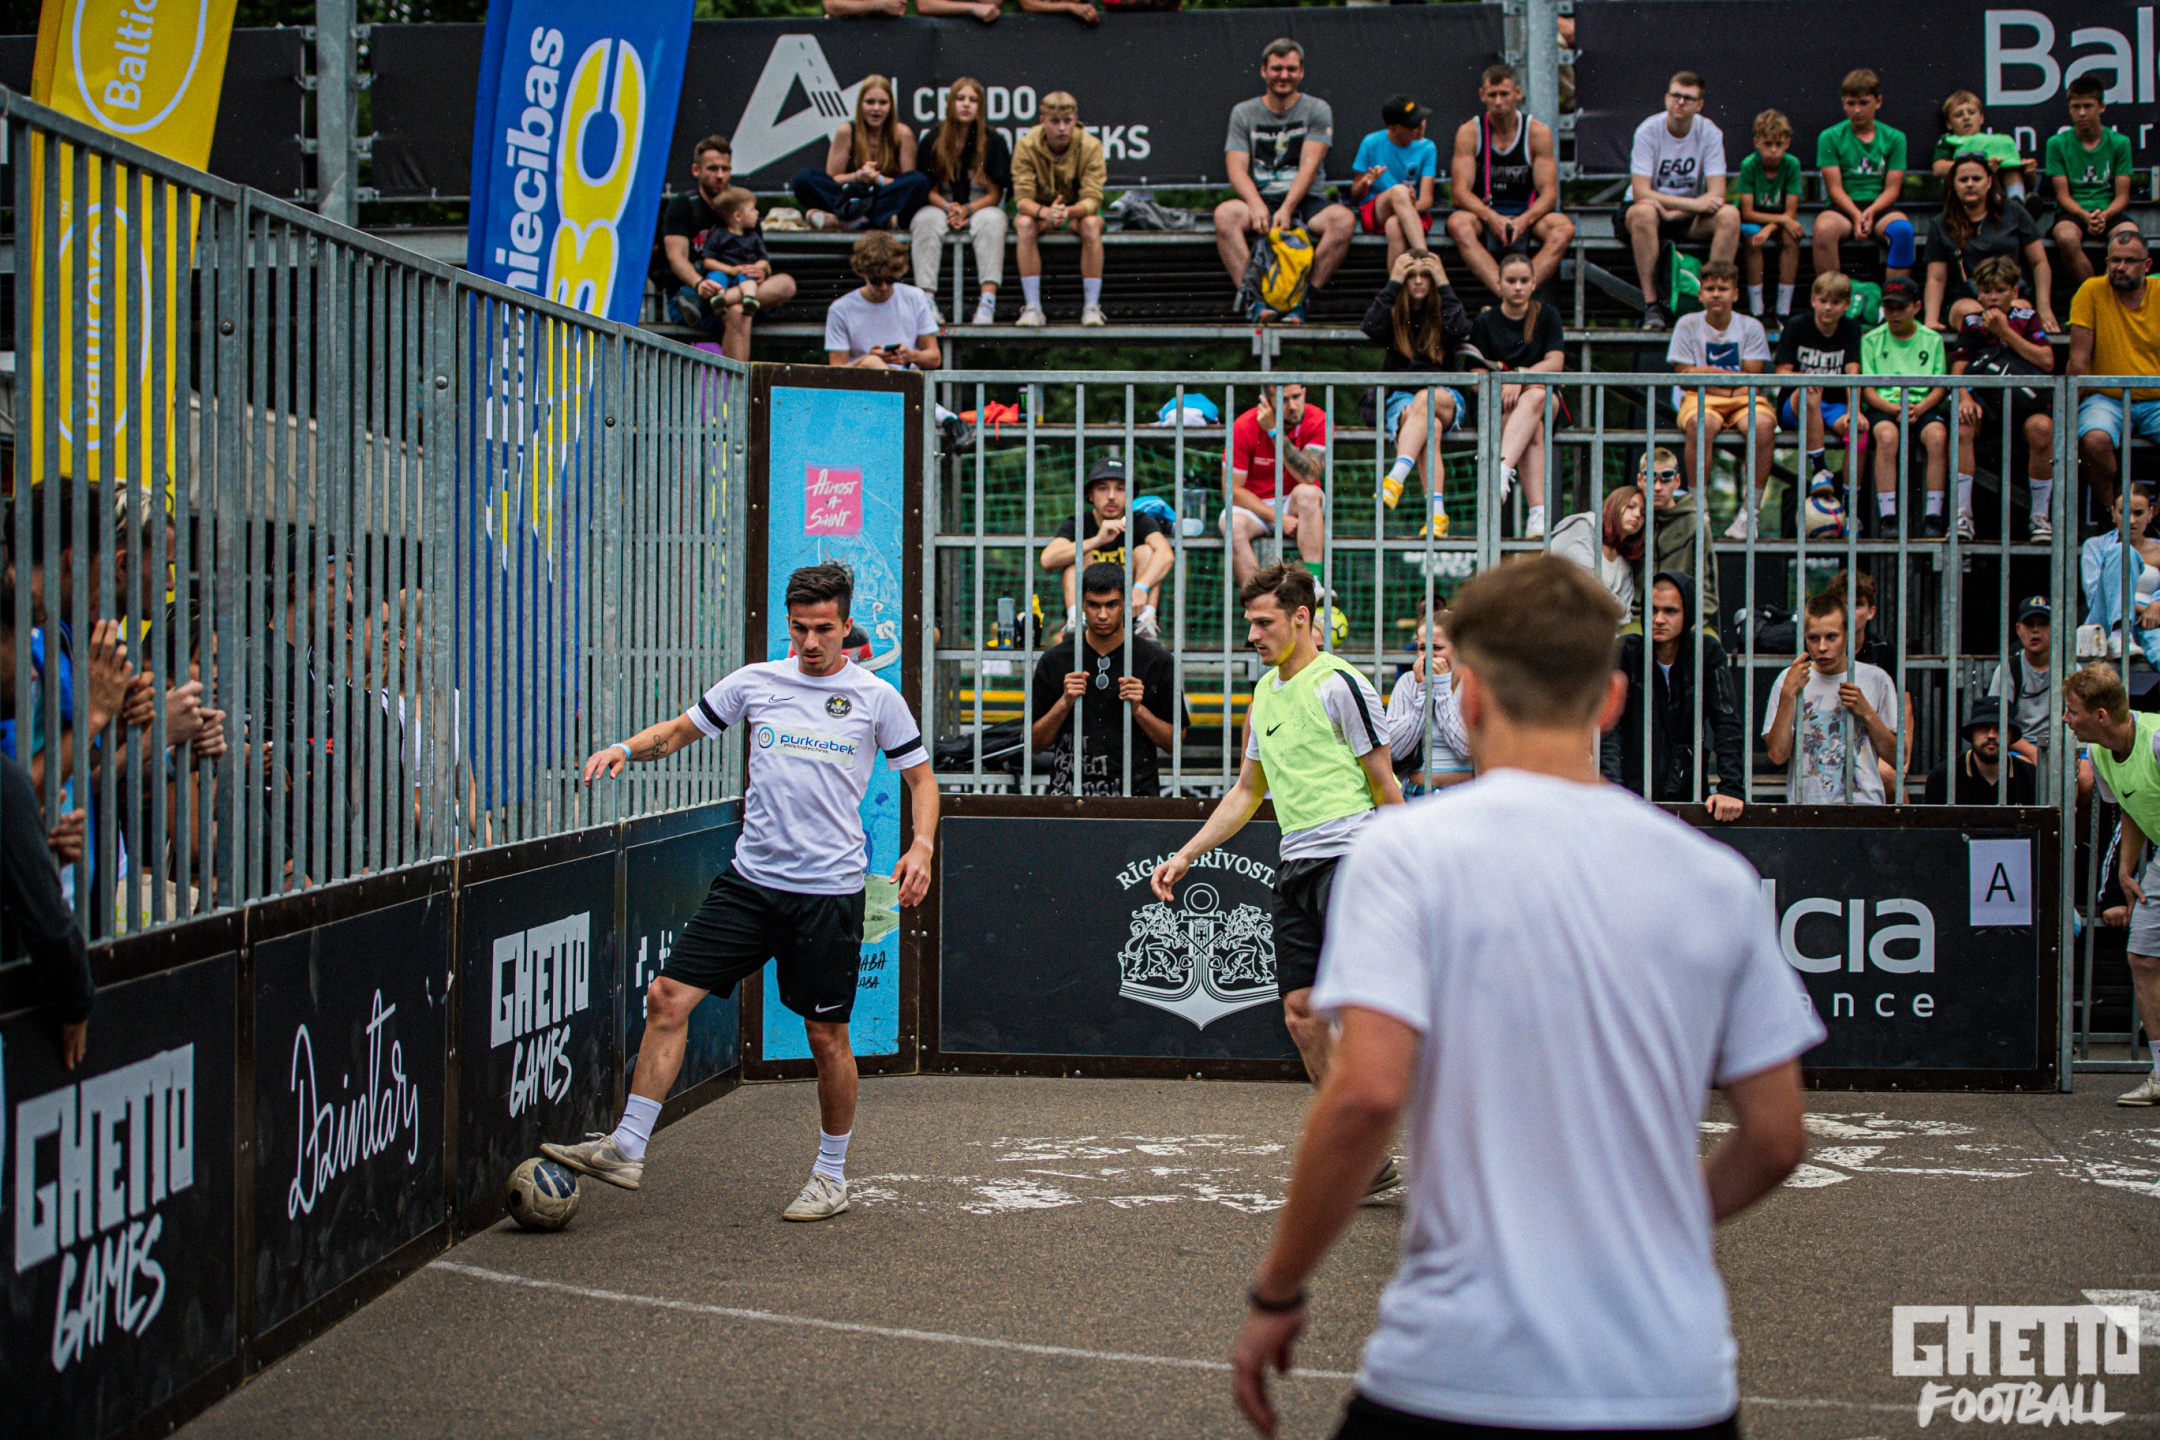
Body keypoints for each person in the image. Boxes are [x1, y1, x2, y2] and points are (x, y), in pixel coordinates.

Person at [1231, 553, 1815, 1440]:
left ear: (1466, 697)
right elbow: (1775, 1137)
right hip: (1670, 1376)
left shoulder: (1405, 856)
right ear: (1611, 700)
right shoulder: (1716, 879)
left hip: (1455, 1368)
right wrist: (1659, 1223)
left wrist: (1278, 1290)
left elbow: (1365, 1097)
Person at [544, 563, 938, 1220]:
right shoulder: (756, 682)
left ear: (846, 626)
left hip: (827, 896)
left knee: (826, 1038)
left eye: (823, 629)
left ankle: (830, 1176)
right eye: (799, 628)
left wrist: (921, 845)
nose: (810, 642)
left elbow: (922, 781)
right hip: (750, 885)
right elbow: (678, 731)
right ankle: (627, 1146)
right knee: (666, 998)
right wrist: (625, 748)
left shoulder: (875, 698)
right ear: (788, 624)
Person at [1152, 564, 1404, 1131]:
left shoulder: (1341, 684)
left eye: (1264, 623)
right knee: (1301, 1014)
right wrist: (1186, 854)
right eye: (1249, 623)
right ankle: (1356, 1145)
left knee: (1370, 1010)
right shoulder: (1263, 695)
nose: (1252, 635)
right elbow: (1246, 792)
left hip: (1353, 860)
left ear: (1301, 618)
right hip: (1295, 867)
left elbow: (1385, 785)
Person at [2061, 660, 2160, 1102]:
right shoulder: (2100, 754)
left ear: (2100, 716)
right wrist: (2126, 867)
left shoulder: (2156, 741)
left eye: (2073, 711)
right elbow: (2131, 804)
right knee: (2143, 956)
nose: (2066, 719)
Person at [1214, 40, 1355, 302]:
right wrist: (1255, 203)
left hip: (1306, 200)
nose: (1284, 75)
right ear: (1263, 71)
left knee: (1343, 221)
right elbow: (1236, 168)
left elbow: (1310, 167)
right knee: (1225, 215)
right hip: (1262, 198)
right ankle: (1255, 299)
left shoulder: (1317, 109)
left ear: (1301, 72)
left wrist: (1287, 208)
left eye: (1291, 69)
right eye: (1277, 69)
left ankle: (1299, 299)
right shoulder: (1243, 112)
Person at [1029, 563, 1184, 796]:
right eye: (1094, 605)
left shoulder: (1156, 660)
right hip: (1069, 799)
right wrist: (1064, 702)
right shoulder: (1056, 660)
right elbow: (1033, 743)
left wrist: (1139, 710)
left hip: (1136, 799)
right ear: (1082, 604)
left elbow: (1176, 743)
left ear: (1126, 604)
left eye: (1111, 604)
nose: (1102, 615)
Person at [1602, 571, 1746, 818]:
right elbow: (1608, 726)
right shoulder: (1626, 652)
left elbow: (1726, 722)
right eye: (1653, 610)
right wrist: (1613, 786)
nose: (1659, 619)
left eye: (1670, 611)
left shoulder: (1706, 653)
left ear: (1687, 613)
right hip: (1631, 794)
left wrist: (1731, 789)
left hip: (1688, 793)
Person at [1362, 251, 1471, 532]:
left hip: (1445, 395)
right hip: (1402, 399)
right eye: (1412, 276)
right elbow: (1370, 326)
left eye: (1426, 276)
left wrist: (1443, 281)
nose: (1419, 281)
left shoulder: (1442, 308)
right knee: (1430, 428)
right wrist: (1394, 281)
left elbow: (1460, 328)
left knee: (1426, 399)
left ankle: (1396, 477)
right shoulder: (1395, 313)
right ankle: (1437, 514)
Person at [1666, 260, 1776, 538]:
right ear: (1700, 294)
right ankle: (1699, 510)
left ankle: (1750, 513)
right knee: (1700, 424)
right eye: (1710, 288)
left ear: (1735, 294)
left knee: (1763, 424)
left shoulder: (1750, 326)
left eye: (1723, 289)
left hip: (1741, 398)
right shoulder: (1687, 324)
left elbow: (1753, 376)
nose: (1716, 294)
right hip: (1701, 398)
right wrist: (1727, 378)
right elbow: (1683, 376)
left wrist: (1704, 373)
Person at [1950, 255, 2056, 542]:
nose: (1993, 297)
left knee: (2042, 428)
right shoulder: (1972, 322)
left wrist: (2005, 332)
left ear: (2014, 291)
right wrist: (1964, 398)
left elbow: (2047, 360)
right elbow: (1958, 368)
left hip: (2024, 403)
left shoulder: (2027, 319)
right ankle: (1962, 516)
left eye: (2000, 290)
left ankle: (2040, 518)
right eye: (1986, 291)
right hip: (1986, 404)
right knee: (1962, 425)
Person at [1443, 64, 1573, 297]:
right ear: (1482, 95)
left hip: (1526, 212)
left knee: (1563, 229)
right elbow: (1460, 193)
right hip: (1485, 211)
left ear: (1517, 93)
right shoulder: (1470, 132)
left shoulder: (1537, 132)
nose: (1498, 102)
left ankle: (1522, 288)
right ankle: (1505, 292)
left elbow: (1549, 194)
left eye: (1504, 94)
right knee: (1458, 224)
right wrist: (1491, 217)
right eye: (1492, 95)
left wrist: (1525, 220)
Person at [1763, 586, 1900, 803]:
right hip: (1808, 809)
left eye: (1831, 637)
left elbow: (1898, 758)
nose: (1822, 647)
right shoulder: (1789, 680)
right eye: (1813, 638)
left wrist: (1867, 713)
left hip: (1864, 809)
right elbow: (1777, 755)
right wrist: (1788, 695)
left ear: (1847, 634)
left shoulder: (1876, 679)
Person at [1623, 70, 1735, 331]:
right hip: (1651, 213)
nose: (1680, 102)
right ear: (1666, 98)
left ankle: (1713, 301)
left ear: (1700, 104)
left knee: (1729, 216)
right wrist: (1693, 205)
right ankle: (1653, 306)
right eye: (1675, 96)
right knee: (1643, 213)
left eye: (1688, 98)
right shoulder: (1648, 130)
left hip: (1685, 215)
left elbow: (1717, 193)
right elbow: (1641, 192)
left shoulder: (1710, 132)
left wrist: (1678, 212)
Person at [1465, 251, 1565, 537]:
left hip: (1542, 399)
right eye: (1511, 281)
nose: (1518, 287)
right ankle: (1538, 513)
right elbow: (1475, 376)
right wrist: (1504, 385)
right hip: (1502, 406)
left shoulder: (1547, 315)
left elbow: (1555, 363)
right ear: (1499, 284)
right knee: (1534, 427)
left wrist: (1519, 378)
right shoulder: (1484, 322)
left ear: (1534, 283)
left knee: (1536, 397)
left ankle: (1499, 470)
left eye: (1524, 280)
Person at [2069, 227, 2160, 514]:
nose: (2120, 267)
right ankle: (2114, 516)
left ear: (2147, 265)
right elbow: (2078, 361)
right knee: (2094, 439)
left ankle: (2153, 520)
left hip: (2156, 398)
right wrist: (2065, 414)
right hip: (2106, 397)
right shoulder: (2091, 290)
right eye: (2114, 260)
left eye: (2129, 260)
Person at [909, 78, 1011, 327]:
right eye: (960, 98)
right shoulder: (933, 139)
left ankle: (987, 303)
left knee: (993, 221)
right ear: (950, 103)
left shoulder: (993, 140)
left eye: (973, 100)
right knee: (923, 220)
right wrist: (949, 208)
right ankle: (926, 302)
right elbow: (928, 189)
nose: (966, 104)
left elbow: (995, 194)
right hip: (941, 204)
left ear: (980, 106)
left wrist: (967, 209)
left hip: (980, 205)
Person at [1041, 455, 1174, 635]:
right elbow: (1048, 559)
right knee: (1075, 554)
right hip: (1091, 611)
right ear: (1090, 495)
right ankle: (1077, 621)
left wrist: (1141, 587)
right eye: (1103, 489)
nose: (1111, 497)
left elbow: (1166, 554)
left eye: (1120, 489)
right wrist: (1097, 540)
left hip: (1130, 608)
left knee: (1146, 552)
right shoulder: (1080, 522)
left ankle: (1145, 622)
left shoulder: (1139, 520)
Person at [1861, 278, 1952, 538]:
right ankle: (1888, 517)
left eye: (1901, 307)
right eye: (1889, 308)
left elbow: (1939, 387)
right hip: (1885, 406)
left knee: (1938, 436)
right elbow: (1867, 389)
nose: (1895, 314)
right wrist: (1893, 409)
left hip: (1922, 405)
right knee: (1887, 437)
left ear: (1917, 306)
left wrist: (1919, 408)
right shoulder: (1871, 339)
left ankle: (1933, 516)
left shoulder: (1932, 339)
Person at [1922, 154, 2054, 334]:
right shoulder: (1941, 223)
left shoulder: (2014, 212)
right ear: (1953, 184)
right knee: (1972, 315)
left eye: (1976, 179)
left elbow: (2039, 263)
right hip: (1966, 298)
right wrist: (1931, 319)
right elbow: (1936, 278)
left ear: (1989, 181)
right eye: (1963, 180)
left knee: (2017, 313)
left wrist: (2045, 311)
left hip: (2010, 294)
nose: (1970, 184)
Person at [1813, 69, 1915, 291]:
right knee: (1823, 229)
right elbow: (1834, 188)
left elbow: (1893, 189)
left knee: (1903, 231)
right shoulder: (1829, 137)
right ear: (1843, 103)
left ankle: (1893, 299)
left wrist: (1871, 212)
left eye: (1864, 103)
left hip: (1880, 206)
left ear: (1878, 102)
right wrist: (1856, 214)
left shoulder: (1895, 138)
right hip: (1843, 207)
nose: (1857, 110)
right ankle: (1832, 297)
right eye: (1851, 103)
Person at [1012, 92, 1107, 327]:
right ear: (1042, 120)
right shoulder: (1026, 145)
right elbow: (1022, 199)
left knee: (1092, 224)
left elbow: (1093, 198)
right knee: (1023, 223)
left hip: (1077, 213)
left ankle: (1091, 307)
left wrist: (1069, 212)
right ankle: (1032, 308)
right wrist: (1046, 212)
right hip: (1040, 213)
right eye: (1055, 121)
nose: (1062, 128)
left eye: (1068, 120)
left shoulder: (1091, 145)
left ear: (1076, 120)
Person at [790, 76, 928, 233]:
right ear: (860, 104)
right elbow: (834, 178)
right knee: (804, 178)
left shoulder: (902, 133)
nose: (876, 108)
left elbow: (907, 181)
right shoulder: (847, 130)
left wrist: (878, 179)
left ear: (891, 105)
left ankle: (849, 220)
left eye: (883, 103)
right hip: (849, 195)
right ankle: (872, 219)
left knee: (920, 181)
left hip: (883, 194)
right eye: (870, 102)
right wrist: (859, 176)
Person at [1775, 270, 1865, 498]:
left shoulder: (1851, 329)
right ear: (1813, 300)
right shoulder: (1797, 325)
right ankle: (1819, 469)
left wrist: (1854, 411)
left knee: (1859, 430)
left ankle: (1850, 500)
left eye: (1835, 302)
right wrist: (1807, 380)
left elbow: (1852, 373)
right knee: (1810, 390)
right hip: (1795, 406)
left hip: (1834, 406)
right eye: (1823, 301)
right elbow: (1782, 372)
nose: (1828, 307)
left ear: (1846, 305)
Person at [686, 188, 798, 361]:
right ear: (737, 216)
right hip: (723, 281)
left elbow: (764, 261)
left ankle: (724, 300)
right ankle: (737, 378)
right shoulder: (720, 235)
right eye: (753, 209)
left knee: (786, 283)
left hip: (747, 283)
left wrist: (760, 269)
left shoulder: (753, 235)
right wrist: (730, 270)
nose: (757, 213)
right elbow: (708, 261)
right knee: (738, 311)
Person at [2045, 75, 2135, 287]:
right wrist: (2085, 216)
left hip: (2108, 211)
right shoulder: (2056, 144)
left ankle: (2110, 293)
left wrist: (2104, 215)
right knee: (2066, 238)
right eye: (2076, 107)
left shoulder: (2120, 142)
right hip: (2073, 212)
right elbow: (2062, 196)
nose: (2082, 113)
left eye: (2088, 106)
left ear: (2101, 107)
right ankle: (2095, 293)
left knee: (2130, 237)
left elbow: (2122, 196)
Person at [825, 232, 942, 373]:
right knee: (872, 362)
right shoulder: (841, 309)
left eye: (890, 280)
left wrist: (909, 355)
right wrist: (868, 360)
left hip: (906, 380)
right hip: (862, 381)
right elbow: (836, 370)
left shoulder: (915, 297)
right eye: (876, 281)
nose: (884, 287)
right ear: (863, 273)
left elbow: (934, 358)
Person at [1384, 608, 1472, 792]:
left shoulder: (1472, 683)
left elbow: (1466, 748)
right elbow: (1394, 750)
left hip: (1464, 793)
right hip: (1416, 792)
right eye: (1423, 648)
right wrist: (1424, 692)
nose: (1428, 656)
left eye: (1437, 648)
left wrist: (1442, 690)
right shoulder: (1408, 682)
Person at [1349, 95, 1438, 271]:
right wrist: (1365, 183)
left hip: (1411, 212)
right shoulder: (1371, 143)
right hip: (1378, 210)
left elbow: (1427, 200)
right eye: (1412, 125)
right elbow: (1354, 195)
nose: (1420, 127)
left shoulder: (1428, 148)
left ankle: (1396, 285)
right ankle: (1427, 261)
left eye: (1421, 119)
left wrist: (1407, 205)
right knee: (1399, 190)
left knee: (1394, 226)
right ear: (1393, 128)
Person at [1734, 109, 1804, 324]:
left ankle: (1783, 310)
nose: (1774, 150)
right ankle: (1757, 310)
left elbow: (1790, 212)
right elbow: (1747, 212)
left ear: (1787, 143)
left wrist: (1772, 227)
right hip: (1754, 221)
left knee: (1792, 237)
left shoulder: (1792, 164)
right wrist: (1775, 223)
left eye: (1779, 144)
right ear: (1756, 142)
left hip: (1776, 223)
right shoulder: (1749, 165)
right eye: (1768, 144)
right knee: (1754, 239)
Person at [2079, 486, 2160, 666]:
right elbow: (2093, 596)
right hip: (2105, 623)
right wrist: (2147, 608)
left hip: (2149, 623)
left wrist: (2158, 604)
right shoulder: (2095, 545)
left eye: (2138, 513)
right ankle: (2120, 634)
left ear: (2150, 513)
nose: (2131, 520)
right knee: (2123, 551)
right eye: (2124, 512)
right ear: (2113, 513)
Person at [1644, 447, 1720, 627]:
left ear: (1677, 481)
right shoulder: (1632, 520)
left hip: (1684, 617)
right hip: (1638, 617)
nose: (1657, 487)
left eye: (1666, 478)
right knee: (1624, 642)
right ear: (1640, 480)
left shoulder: (1695, 523)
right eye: (1650, 477)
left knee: (1708, 642)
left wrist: (1688, 623)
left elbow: (1709, 591)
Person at [1548, 483, 1645, 617]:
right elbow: (1585, 584)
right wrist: (1615, 608)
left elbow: (1624, 616)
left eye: (1643, 513)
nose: (1637, 514)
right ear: (1614, 504)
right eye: (1630, 506)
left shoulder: (1624, 563)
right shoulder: (1584, 525)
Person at [1922, 696, 2037, 805]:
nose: (1991, 735)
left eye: (2000, 728)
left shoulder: (2032, 777)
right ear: (1971, 734)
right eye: (1983, 728)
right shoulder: (1942, 778)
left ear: (2011, 736)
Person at [1991, 596, 2054, 775]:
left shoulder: (2070, 669)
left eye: (2043, 624)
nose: (2035, 630)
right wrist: (2033, 753)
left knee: (2085, 777)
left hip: (2061, 746)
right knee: (2023, 772)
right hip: (2019, 746)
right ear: (2018, 629)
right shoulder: (2008, 670)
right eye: (2029, 624)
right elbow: (1996, 723)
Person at [1931, 90, 2032, 199]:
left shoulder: (1996, 141)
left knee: (2011, 167)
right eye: (1958, 115)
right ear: (1949, 123)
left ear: (1981, 118)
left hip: (2000, 194)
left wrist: (2028, 170)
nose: (1966, 117)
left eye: (1971, 112)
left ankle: (2017, 200)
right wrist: (1982, 166)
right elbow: (1938, 169)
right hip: (1962, 198)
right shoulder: (1948, 141)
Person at [824, 0, 1001, 19]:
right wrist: (877, 4)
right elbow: (831, 5)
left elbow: (992, 4)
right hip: (851, 36)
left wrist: (972, 7)